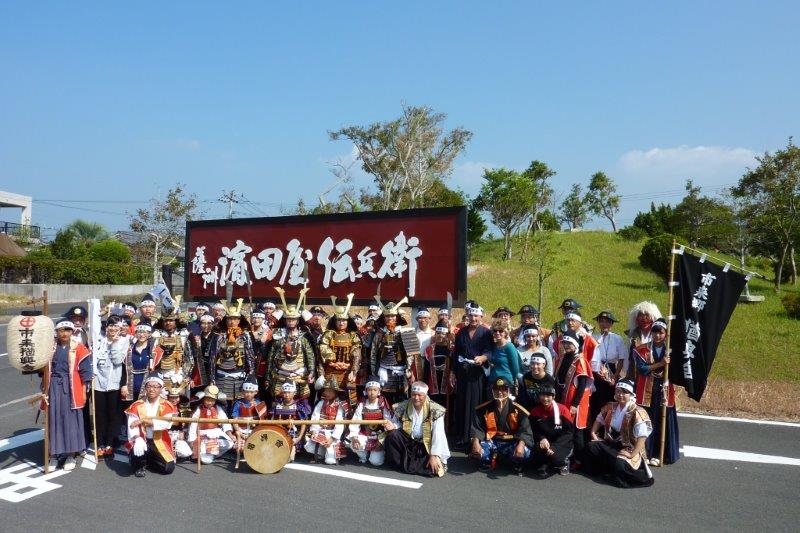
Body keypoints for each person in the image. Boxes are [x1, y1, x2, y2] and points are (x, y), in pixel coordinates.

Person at [43, 320, 93, 470]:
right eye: (61, 330)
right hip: (53, 387)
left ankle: (71, 454)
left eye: (67, 330)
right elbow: (42, 368)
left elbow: (86, 373)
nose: (64, 333)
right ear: (56, 332)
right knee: (54, 420)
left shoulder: (79, 348)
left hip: (72, 388)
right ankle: (53, 454)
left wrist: (84, 392)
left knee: (71, 421)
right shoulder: (49, 347)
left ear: (72, 332)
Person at [586, 379, 654, 487]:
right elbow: (599, 419)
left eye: (624, 392)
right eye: (618, 391)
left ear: (631, 394)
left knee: (621, 464)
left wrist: (632, 454)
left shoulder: (637, 411)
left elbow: (642, 437)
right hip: (612, 443)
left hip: (630, 447)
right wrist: (593, 434)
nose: (620, 395)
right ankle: (604, 471)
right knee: (592, 446)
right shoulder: (610, 406)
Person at [633, 318, 679, 465]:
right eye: (655, 332)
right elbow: (642, 369)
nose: (657, 335)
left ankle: (662, 454)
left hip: (664, 388)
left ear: (666, 334)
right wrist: (660, 364)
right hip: (647, 388)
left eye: (661, 333)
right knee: (647, 421)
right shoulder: (642, 349)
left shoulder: (671, 350)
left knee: (662, 420)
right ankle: (646, 452)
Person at [383, 382, 449, 477]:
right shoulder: (404, 406)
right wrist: (393, 426)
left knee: (433, 470)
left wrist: (434, 455)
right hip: (409, 442)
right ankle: (401, 463)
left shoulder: (436, 410)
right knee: (392, 436)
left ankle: (409, 465)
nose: (416, 398)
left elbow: (438, 435)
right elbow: (397, 422)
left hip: (426, 446)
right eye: (414, 395)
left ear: (425, 395)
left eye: (419, 395)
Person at [470, 378, 533, 475]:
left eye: (504, 389)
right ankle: (486, 461)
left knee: (525, 451)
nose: (500, 392)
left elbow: (525, 430)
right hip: (493, 441)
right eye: (496, 389)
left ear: (509, 391)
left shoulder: (518, 410)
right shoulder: (483, 409)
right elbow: (478, 428)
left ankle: (516, 463)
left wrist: (521, 444)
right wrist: (475, 442)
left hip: (511, 442)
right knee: (478, 450)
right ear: (492, 391)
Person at [452, 306, 492, 448]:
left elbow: (490, 351)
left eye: (476, 316)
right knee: (462, 403)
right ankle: (461, 436)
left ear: (481, 317)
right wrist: (453, 372)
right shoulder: (461, 332)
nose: (473, 319)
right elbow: (456, 353)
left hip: (477, 373)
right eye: (471, 316)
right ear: (467, 316)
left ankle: (475, 436)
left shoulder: (486, 333)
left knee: (475, 404)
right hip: (463, 372)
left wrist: (483, 357)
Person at [125, 373, 177, 477]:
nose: (152, 390)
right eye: (149, 386)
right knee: (137, 455)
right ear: (145, 388)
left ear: (161, 388)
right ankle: (139, 463)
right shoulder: (137, 405)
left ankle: (148, 460)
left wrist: (144, 421)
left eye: (155, 387)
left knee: (168, 468)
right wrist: (137, 438)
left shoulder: (166, 405)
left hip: (158, 440)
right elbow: (132, 425)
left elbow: (166, 424)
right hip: (141, 439)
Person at [266, 299, 315, 405]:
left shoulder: (304, 337)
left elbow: (310, 356)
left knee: (301, 400)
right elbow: (271, 356)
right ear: (285, 320)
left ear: (297, 321)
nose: (291, 322)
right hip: (281, 375)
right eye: (288, 319)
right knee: (279, 399)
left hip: (299, 375)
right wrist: (268, 375)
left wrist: (311, 371)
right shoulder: (278, 335)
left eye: (293, 319)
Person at [554, 330, 592, 465]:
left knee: (577, 432)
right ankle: (567, 457)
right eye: (564, 342)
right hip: (563, 399)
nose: (566, 345)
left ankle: (579, 460)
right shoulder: (563, 357)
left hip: (575, 401)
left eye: (569, 342)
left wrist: (575, 404)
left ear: (575, 344)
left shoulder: (580, 360)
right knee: (565, 429)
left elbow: (582, 384)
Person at [93, 315, 129, 457]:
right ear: (106, 326)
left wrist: (114, 343)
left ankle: (109, 442)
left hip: (114, 384)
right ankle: (100, 443)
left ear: (120, 328)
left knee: (113, 414)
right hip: (98, 383)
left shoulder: (124, 341)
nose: (113, 328)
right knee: (100, 414)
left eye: (116, 326)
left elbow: (118, 360)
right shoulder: (99, 339)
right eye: (110, 325)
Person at [318, 297, 362, 408]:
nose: (341, 323)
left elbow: (357, 354)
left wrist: (353, 370)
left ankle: (347, 422)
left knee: (350, 401)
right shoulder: (328, 334)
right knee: (327, 400)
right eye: (339, 320)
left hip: (348, 372)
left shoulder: (353, 336)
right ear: (335, 321)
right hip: (330, 371)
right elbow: (322, 351)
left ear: (348, 322)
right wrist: (331, 364)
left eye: (344, 320)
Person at [210, 302, 255, 411]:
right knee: (222, 404)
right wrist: (212, 378)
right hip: (222, 376)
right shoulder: (219, 336)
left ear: (239, 320)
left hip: (239, 376)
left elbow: (250, 356)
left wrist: (251, 376)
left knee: (239, 405)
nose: (232, 321)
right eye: (230, 319)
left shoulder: (245, 336)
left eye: (235, 319)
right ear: (226, 320)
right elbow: (213, 358)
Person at [369, 298, 415, 404]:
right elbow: (373, 354)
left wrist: (409, 370)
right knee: (384, 400)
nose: (390, 318)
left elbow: (412, 355)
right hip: (383, 371)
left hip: (402, 372)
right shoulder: (379, 334)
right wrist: (374, 373)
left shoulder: (406, 332)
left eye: (393, 316)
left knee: (402, 400)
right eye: (387, 316)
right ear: (383, 318)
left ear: (397, 317)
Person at [529, 385, 574, 477]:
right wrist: (542, 438)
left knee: (555, 457)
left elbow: (568, 433)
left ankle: (564, 463)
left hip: (561, 443)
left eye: (548, 396)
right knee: (535, 451)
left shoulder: (563, 410)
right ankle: (545, 463)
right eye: (543, 395)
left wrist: (554, 447)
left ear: (553, 397)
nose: (545, 399)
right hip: (545, 441)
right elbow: (534, 430)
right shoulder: (535, 411)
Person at [590, 310, 627, 422]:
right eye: (601, 321)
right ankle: (594, 428)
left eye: (607, 322)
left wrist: (615, 376)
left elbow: (621, 359)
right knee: (596, 399)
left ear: (611, 324)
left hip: (611, 369)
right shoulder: (593, 337)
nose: (604, 324)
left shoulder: (617, 338)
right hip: (596, 369)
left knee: (610, 399)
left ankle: (608, 426)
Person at [348, 378, 394, 466]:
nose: (372, 393)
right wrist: (354, 438)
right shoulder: (362, 404)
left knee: (376, 462)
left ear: (379, 391)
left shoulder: (382, 404)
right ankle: (364, 455)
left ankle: (378, 453)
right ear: (366, 391)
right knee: (354, 444)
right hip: (365, 435)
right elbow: (355, 421)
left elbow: (389, 423)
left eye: (374, 390)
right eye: (369, 390)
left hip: (379, 436)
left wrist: (381, 441)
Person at [188, 384, 235, 464]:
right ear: (203, 399)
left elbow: (225, 422)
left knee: (229, 443)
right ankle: (204, 452)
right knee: (206, 461)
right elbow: (193, 425)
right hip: (202, 435)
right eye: (207, 400)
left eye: (212, 400)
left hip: (216, 433)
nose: (210, 402)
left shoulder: (218, 408)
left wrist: (230, 434)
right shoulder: (199, 409)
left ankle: (214, 453)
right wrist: (192, 440)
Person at [304, 377, 347, 465]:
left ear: (335, 392)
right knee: (308, 446)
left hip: (332, 434)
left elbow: (340, 424)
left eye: (330, 391)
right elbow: (315, 418)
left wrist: (332, 438)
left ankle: (328, 451)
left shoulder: (340, 405)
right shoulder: (320, 403)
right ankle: (323, 451)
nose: (327, 393)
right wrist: (314, 431)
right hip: (321, 431)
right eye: (326, 390)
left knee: (330, 461)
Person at [269, 381, 309, 462]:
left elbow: (303, 422)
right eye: (285, 392)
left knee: (289, 457)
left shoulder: (298, 406)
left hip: (293, 433)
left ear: (294, 393)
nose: (287, 395)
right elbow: (271, 420)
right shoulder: (277, 405)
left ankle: (290, 451)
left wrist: (299, 437)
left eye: (289, 392)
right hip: (279, 432)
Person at [151, 306, 192, 383]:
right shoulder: (157, 334)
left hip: (180, 372)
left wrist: (188, 374)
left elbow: (189, 356)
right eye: (165, 321)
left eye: (171, 320)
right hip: (160, 373)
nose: (168, 323)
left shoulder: (183, 334)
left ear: (176, 322)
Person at [625, 301, 662, 380]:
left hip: (656, 376)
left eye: (647, 315)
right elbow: (629, 357)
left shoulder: (661, 336)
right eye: (640, 315)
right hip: (636, 375)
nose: (644, 318)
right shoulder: (632, 336)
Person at [231, 375, 268, 454]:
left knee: (261, 446)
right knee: (239, 449)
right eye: (246, 392)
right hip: (241, 431)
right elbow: (234, 420)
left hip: (254, 431)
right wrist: (239, 432)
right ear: (243, 392)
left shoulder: (259, 403)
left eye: (251, 392)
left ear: (256, 392)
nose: (248, 394)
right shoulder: (238, 403)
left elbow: (262, 421)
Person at [422, 320, 454, 408]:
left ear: (447, 335)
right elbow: (426, 370)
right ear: (435, 334)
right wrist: (425, 386)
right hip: (433, 386)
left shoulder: (451, 350)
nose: (440, 335)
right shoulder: (429, 349)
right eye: (438, 333)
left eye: (443, 333)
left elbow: (454, 367)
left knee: (448, 409)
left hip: (447, 386)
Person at [122, 323, 154, 402]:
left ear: (149, 334)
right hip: (130, 386)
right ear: (135, 333)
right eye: (139, 332)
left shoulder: (153, 350)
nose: (142, 335)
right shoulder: (129, 348)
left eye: (145, 332)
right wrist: (123, 385)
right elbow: (123, 368)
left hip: (147, 387)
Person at [488, 321, 521, 392]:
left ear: (505, 332)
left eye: (500, 331)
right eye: (495, 331)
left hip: (506, 381)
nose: (497, 333)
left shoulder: (509, 346)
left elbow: (515, 367)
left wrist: (513, 380)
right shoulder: (493, 345)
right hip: (493, 380)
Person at [164, 379, 193, 460]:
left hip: (177, 433)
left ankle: (175, 453)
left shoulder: (183, 409)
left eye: (176, 397)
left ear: (179, 398)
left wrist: (182, 432)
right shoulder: (163, 407)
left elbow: (185, 424)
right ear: (168, 398)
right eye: (171, 398)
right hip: (165, 433)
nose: (174, 400)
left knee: (186, 452)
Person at [189, 314, 215, 393]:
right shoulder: (195, 338)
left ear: (212, 324)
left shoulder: (217, 338)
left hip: (213, 371)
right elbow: (191, 358)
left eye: (209, 323)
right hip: (199, 371)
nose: (206, 326)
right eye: (203, 323)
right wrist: (190, 376)